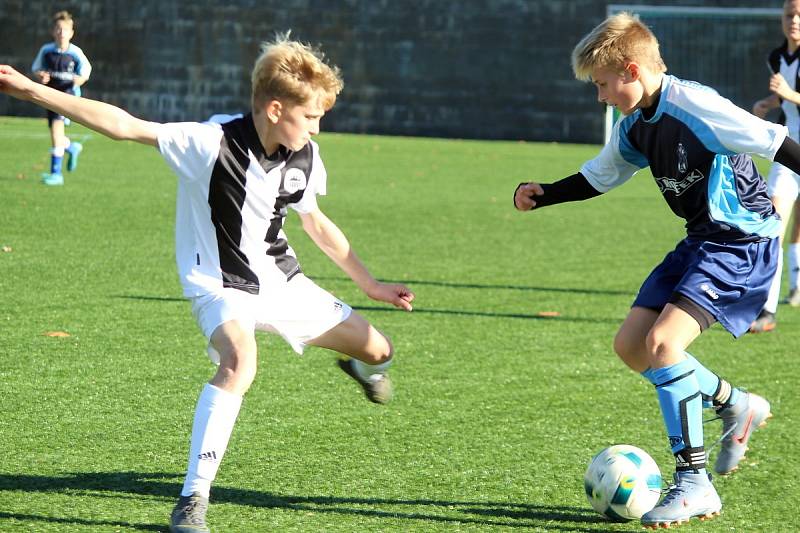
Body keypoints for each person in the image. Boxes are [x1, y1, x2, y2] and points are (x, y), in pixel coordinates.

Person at [1, 33, 414, 533]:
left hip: (283, 283)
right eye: (311, 117)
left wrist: (370, 285)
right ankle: (193, 499)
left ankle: (363, 368)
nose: (317, 127)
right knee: (240, 362)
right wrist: (32, 91)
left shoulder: (306, 155)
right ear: (276, 108)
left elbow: (316, 224)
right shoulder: (210, 142)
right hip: (218, 283)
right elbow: (126, 126)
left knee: (379, 349)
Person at [512, 12, 798, 528]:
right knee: (631, 346)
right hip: (699, 242)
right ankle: (738, 405)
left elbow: (774, 141)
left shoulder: (695, 105)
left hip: (742, 243)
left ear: (629, 70)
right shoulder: (635, 125)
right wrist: (545, 194)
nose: (599, 95)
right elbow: (601, 176)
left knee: (665, 346)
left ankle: (694, 483)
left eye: (602, 84)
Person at [749, 0, 800, 332]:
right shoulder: (776, 57)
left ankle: (797, 284)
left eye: (799, 14)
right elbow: (784, 99)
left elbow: (791, 94)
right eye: (789, 14)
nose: (794, 20)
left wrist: (789, 93)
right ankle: (765, 309)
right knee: (773, 224)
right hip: (789, 149)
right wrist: (768, 103)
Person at [31, 10, 91, 186]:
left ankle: (56, 174)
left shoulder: (75, 52)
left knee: (56, 131)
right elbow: (36, 68)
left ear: (71, 33)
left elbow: (86, 71)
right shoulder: (46, 50)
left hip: (67, 97)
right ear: (53, 31)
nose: (61, 33)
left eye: (65, 29)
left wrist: (79, 79)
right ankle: (71, 148)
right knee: (56, 133)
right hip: (50, 96)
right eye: (58, 29)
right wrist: (41, 75)